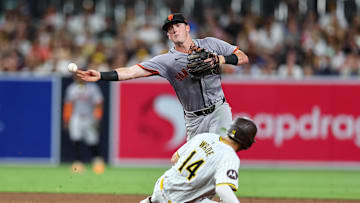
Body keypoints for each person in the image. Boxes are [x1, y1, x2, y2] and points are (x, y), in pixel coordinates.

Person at [75, 13, 249, 140]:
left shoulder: (210, 44)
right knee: (190, 170)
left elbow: (243, 57)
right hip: (194, 119)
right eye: (170, 29)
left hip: (219, 110)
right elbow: (131, 72)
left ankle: (221, 188)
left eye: (178, 25)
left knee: (218, 153)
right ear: (168, 35)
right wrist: (101, 75)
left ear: (187, 27)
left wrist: (220, 59)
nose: (174, 29)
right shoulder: (167, 61)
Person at [140, 117, 257, 203]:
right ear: (247, 142)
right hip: (179, 200)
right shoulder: (230, 156)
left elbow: (175, 158)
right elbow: (222, 188)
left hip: (161, 187)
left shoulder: (205, 136)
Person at [63, 77, 106, 174]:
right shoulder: (71, 88)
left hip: (89, 116)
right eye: (78, 76)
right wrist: (66, 119)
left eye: (82, 75)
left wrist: (98, 117)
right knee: (76, 139)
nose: (80, 78)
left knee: (93, 140)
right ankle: (78, 163)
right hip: (76, 116)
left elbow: (98, 103)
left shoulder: (92, 88)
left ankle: (97, 162)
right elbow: (68, 105)